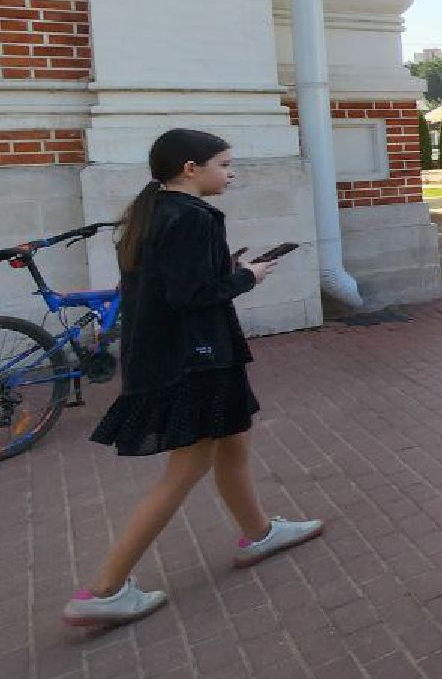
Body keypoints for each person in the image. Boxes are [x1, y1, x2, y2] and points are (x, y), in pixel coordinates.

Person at [66, 129, 321, 628]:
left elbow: (173, 283)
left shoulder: (155, 211)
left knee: (234, 443)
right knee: (187, 467)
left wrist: (227, 267)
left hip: (181, 355)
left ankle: (259, 532)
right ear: (190, 168)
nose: (231, 173)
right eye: (224, 164)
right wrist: (248, 277)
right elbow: (190, 297)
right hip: (194, 358)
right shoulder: (192, 217)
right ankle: (103, 590)